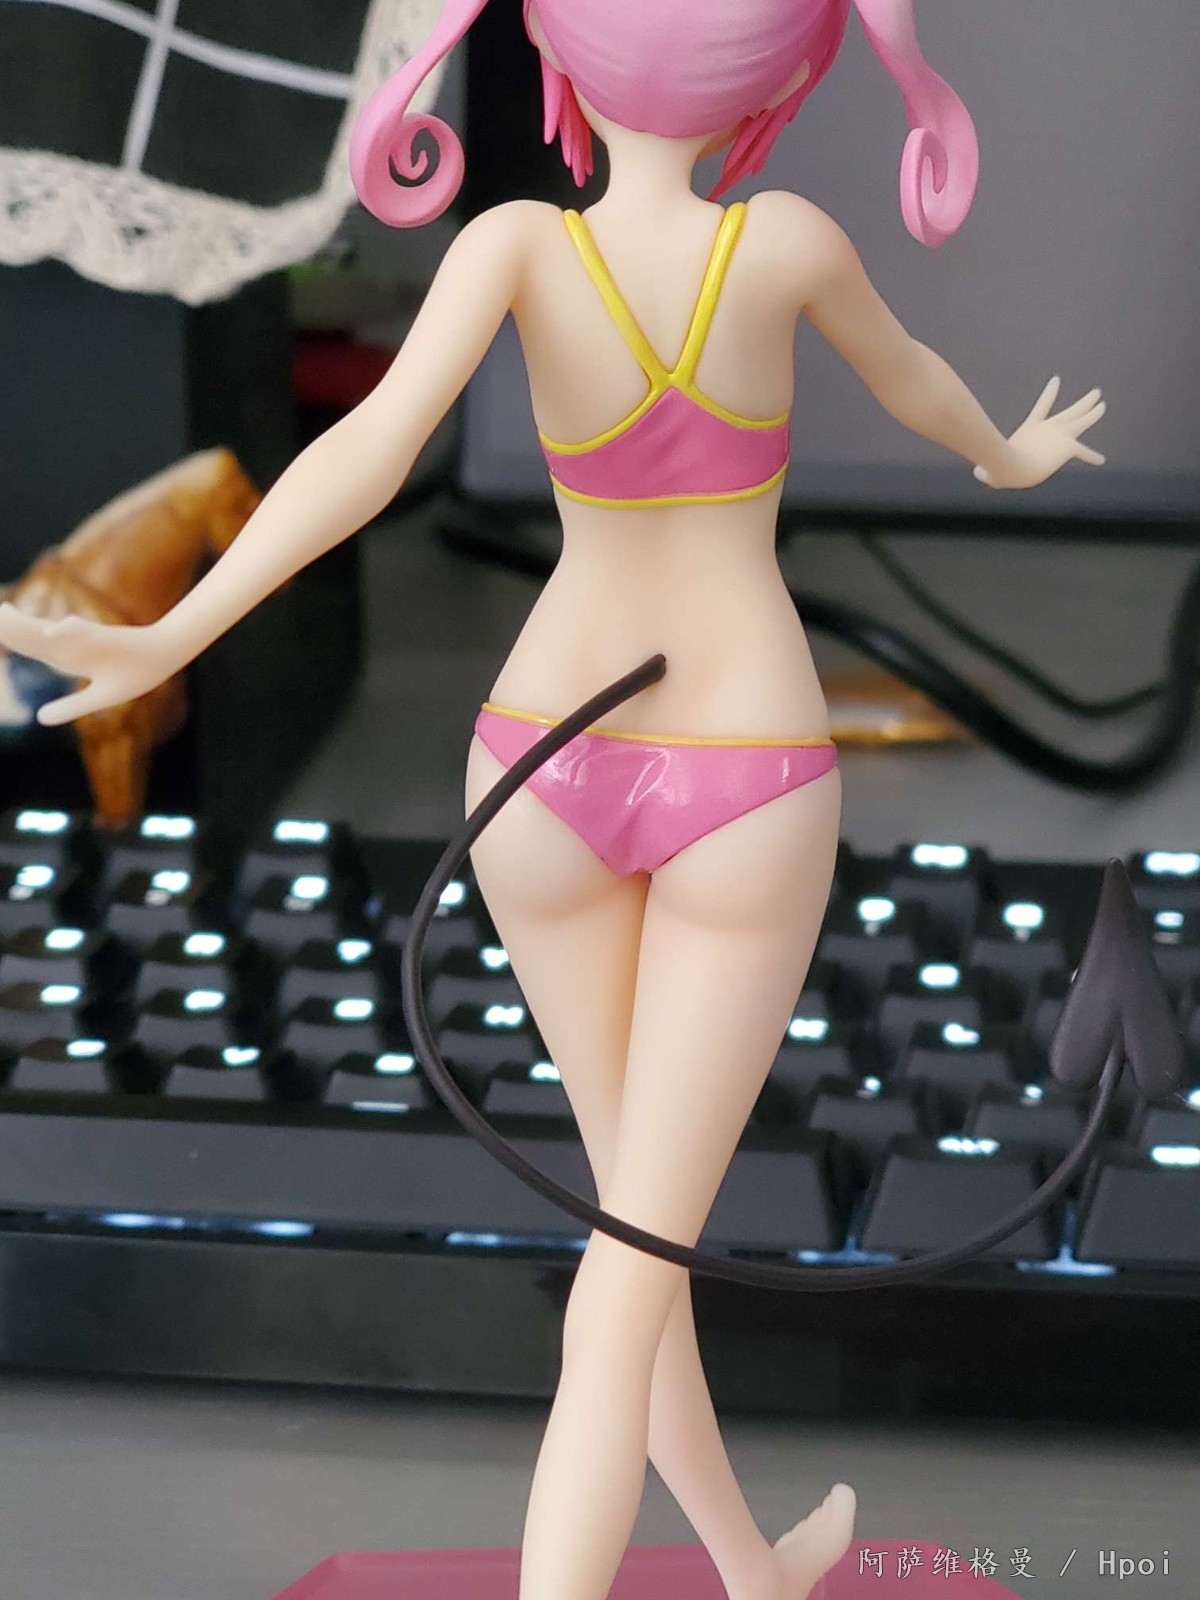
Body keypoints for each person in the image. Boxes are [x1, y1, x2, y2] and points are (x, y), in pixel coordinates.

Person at [0, 3, 1106, 1596]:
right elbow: (923, 388)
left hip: (540, 766)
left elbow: (368, 453)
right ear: (787, 72)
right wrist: (1006, 454)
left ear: (559, 62)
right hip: (742, 767)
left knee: (629, 1246)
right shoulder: (786, 245)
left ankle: (746, 1564)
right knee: (626, 1274)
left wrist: (178, 627)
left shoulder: (516, 245)